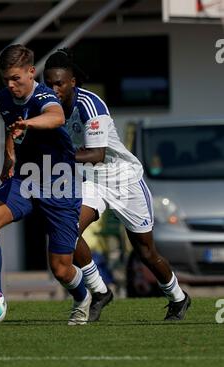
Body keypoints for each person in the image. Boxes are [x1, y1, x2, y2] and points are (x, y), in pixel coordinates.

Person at [43, 48, 191, 321]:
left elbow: (97, 156)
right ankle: (100, 291)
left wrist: (57, 158)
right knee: (67, 229)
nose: (53, 89)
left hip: (124, 180)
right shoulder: (47, 109)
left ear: (72, 82)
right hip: (91, 181)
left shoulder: (91, 105)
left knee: (145, 251)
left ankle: (178, 297)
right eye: (49, 83)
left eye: (59, 83)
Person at [0, 44, 92, 325]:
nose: (10, 85)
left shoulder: (44, 95)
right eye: (5, 79)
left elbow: (56, 117)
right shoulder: (3, 99)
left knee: (60, 269)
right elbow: (13, 126)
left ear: (31, 72)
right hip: (26, 181)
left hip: (60, 186)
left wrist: (28, 124)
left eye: (16, 78)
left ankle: (83, 297)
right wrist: (8, 158)